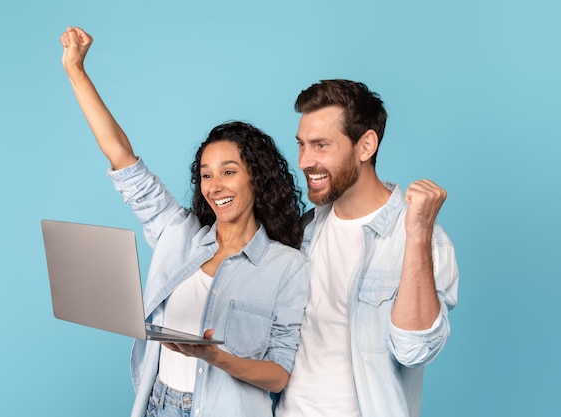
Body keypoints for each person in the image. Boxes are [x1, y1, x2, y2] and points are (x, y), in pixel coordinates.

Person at [60, 26, 309, 417]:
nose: (215, 186)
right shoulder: (180, 234)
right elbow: (125, 162)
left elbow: (280, 373)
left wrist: (217, 357)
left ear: (256, 177)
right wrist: (76, 71)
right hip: (158, 404)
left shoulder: (287, 266)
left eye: (229, 171)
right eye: (206, 174)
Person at [275, 80, 459, 417]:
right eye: (302, 145)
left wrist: (417, 235)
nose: (304, 161)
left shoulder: (424, 239)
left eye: (320, 145)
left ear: (366, 146)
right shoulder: (305, 230)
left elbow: (414, 350)